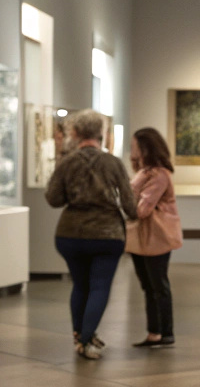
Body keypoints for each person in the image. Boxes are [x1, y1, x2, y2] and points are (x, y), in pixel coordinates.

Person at [45, 109, 137, 360]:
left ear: (74, 133)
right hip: (107, 234)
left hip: (71, 233)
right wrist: (136, 214)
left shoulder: (67, 163)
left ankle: (81, 336)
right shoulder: (113, 163)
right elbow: (129, 203)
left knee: (80, 286)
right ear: (102, 134)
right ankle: (86, 340)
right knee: (99, 286)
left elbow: (53, 198)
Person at [126, 127, 182, 348]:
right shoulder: (144, 173)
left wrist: (127, 203)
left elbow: (142, 209)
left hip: (156, 237)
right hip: (142, 238)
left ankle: (166, 332)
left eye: (135, 146)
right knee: (149, 286)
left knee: (158, 285)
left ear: (146, 148)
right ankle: (154, 332)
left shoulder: (158, 174)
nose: (132, 150)